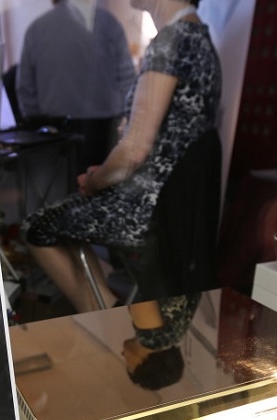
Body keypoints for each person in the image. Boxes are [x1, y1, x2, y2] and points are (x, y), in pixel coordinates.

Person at [21, 0, 221, 313]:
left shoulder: (172, 41)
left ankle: (107, 318)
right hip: (170, 203)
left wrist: (95, 181)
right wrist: (105, 171)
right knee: (67, 219)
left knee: (37, 227)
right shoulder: (197, 35)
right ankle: (109, 312)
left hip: (150, 210)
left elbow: (133, 152)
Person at [16, 0, 136, 170]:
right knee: (98, 181)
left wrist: (37, 121)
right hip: (103, 128)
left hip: (54, 131)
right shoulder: (109, 24)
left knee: (60, 182)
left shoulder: (36, 29)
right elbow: (128, 80)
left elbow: (25, 87)